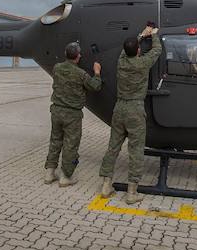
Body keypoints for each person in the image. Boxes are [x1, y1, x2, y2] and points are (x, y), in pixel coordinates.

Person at [99, 25, 162, 204]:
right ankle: (131, 192)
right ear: (138, 51)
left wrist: (141, 35)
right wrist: (154, 35)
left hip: (119, 108)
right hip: (135, 109)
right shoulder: (142, 63)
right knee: (135, 150)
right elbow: (157, 50)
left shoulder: (122, 62)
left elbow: (124, 51)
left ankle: (106, 185)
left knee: (113, 147)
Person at [44, 41, 102, 187]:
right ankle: (66, 176)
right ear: (78, 57)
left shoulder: (57, 68)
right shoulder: (81, 74)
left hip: (56, 111)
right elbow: (95, 87)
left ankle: (50, 173)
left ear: (65, 54)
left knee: (55, 141)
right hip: (72, 114)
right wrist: (97, 73)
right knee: (70, 144)